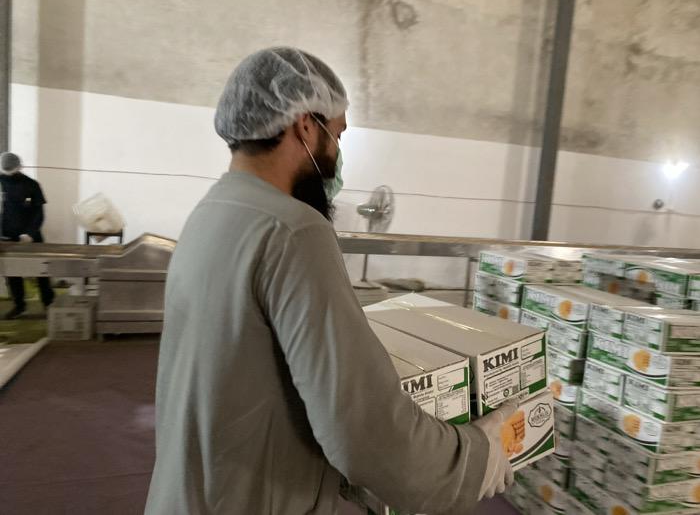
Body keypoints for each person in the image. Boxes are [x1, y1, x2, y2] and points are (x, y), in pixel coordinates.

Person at [145, 47, 516, 515]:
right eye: (336, 136)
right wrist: (472, 457)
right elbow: (363, 428)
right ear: (305, 126)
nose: (337, 156)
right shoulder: (293, 230)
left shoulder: (211, 213)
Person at [0, 152, 54, 319]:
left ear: (20, 167)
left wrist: (30, 233)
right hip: (7, 236)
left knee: (41, 269)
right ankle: (19, 305)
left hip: (31, 235)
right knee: (12, 272)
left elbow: (39, 213)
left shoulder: (31, 185)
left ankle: (48, 303)